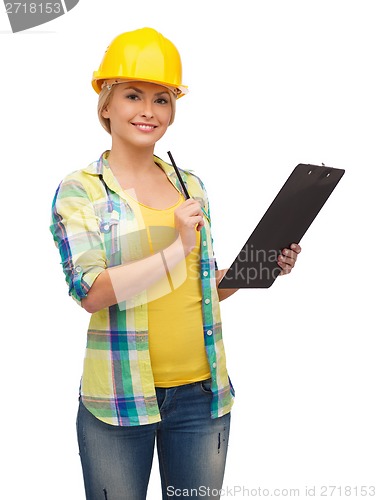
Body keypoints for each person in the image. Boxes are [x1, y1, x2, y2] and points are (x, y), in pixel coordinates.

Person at [50, 27, 301, 500]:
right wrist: (174, 247)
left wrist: (263, 265)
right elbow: (91, 292)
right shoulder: (81, 189)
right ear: (105, 105)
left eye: (162, 99)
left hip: (203, 397)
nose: (148, 110)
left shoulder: (191, 186)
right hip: (119, 403)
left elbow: (202, 286)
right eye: (132, 95)